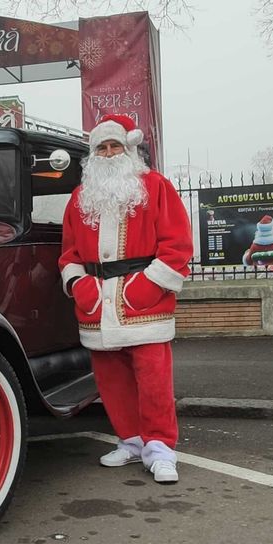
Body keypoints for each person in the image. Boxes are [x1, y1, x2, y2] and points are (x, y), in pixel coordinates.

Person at [58, 114, 194, 484]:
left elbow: (178, 245)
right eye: (101, 147)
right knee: (111, 380)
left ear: (128, 148)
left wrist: (146, 287)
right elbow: (69, 255)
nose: (108, 152)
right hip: (97, 304)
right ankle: (132, 442)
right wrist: (81, 287)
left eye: (114, 145)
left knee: (153, 381)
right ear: (93, 155)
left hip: (144, 303)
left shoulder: (155, 186)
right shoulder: (79, 198)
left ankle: (161, 448)